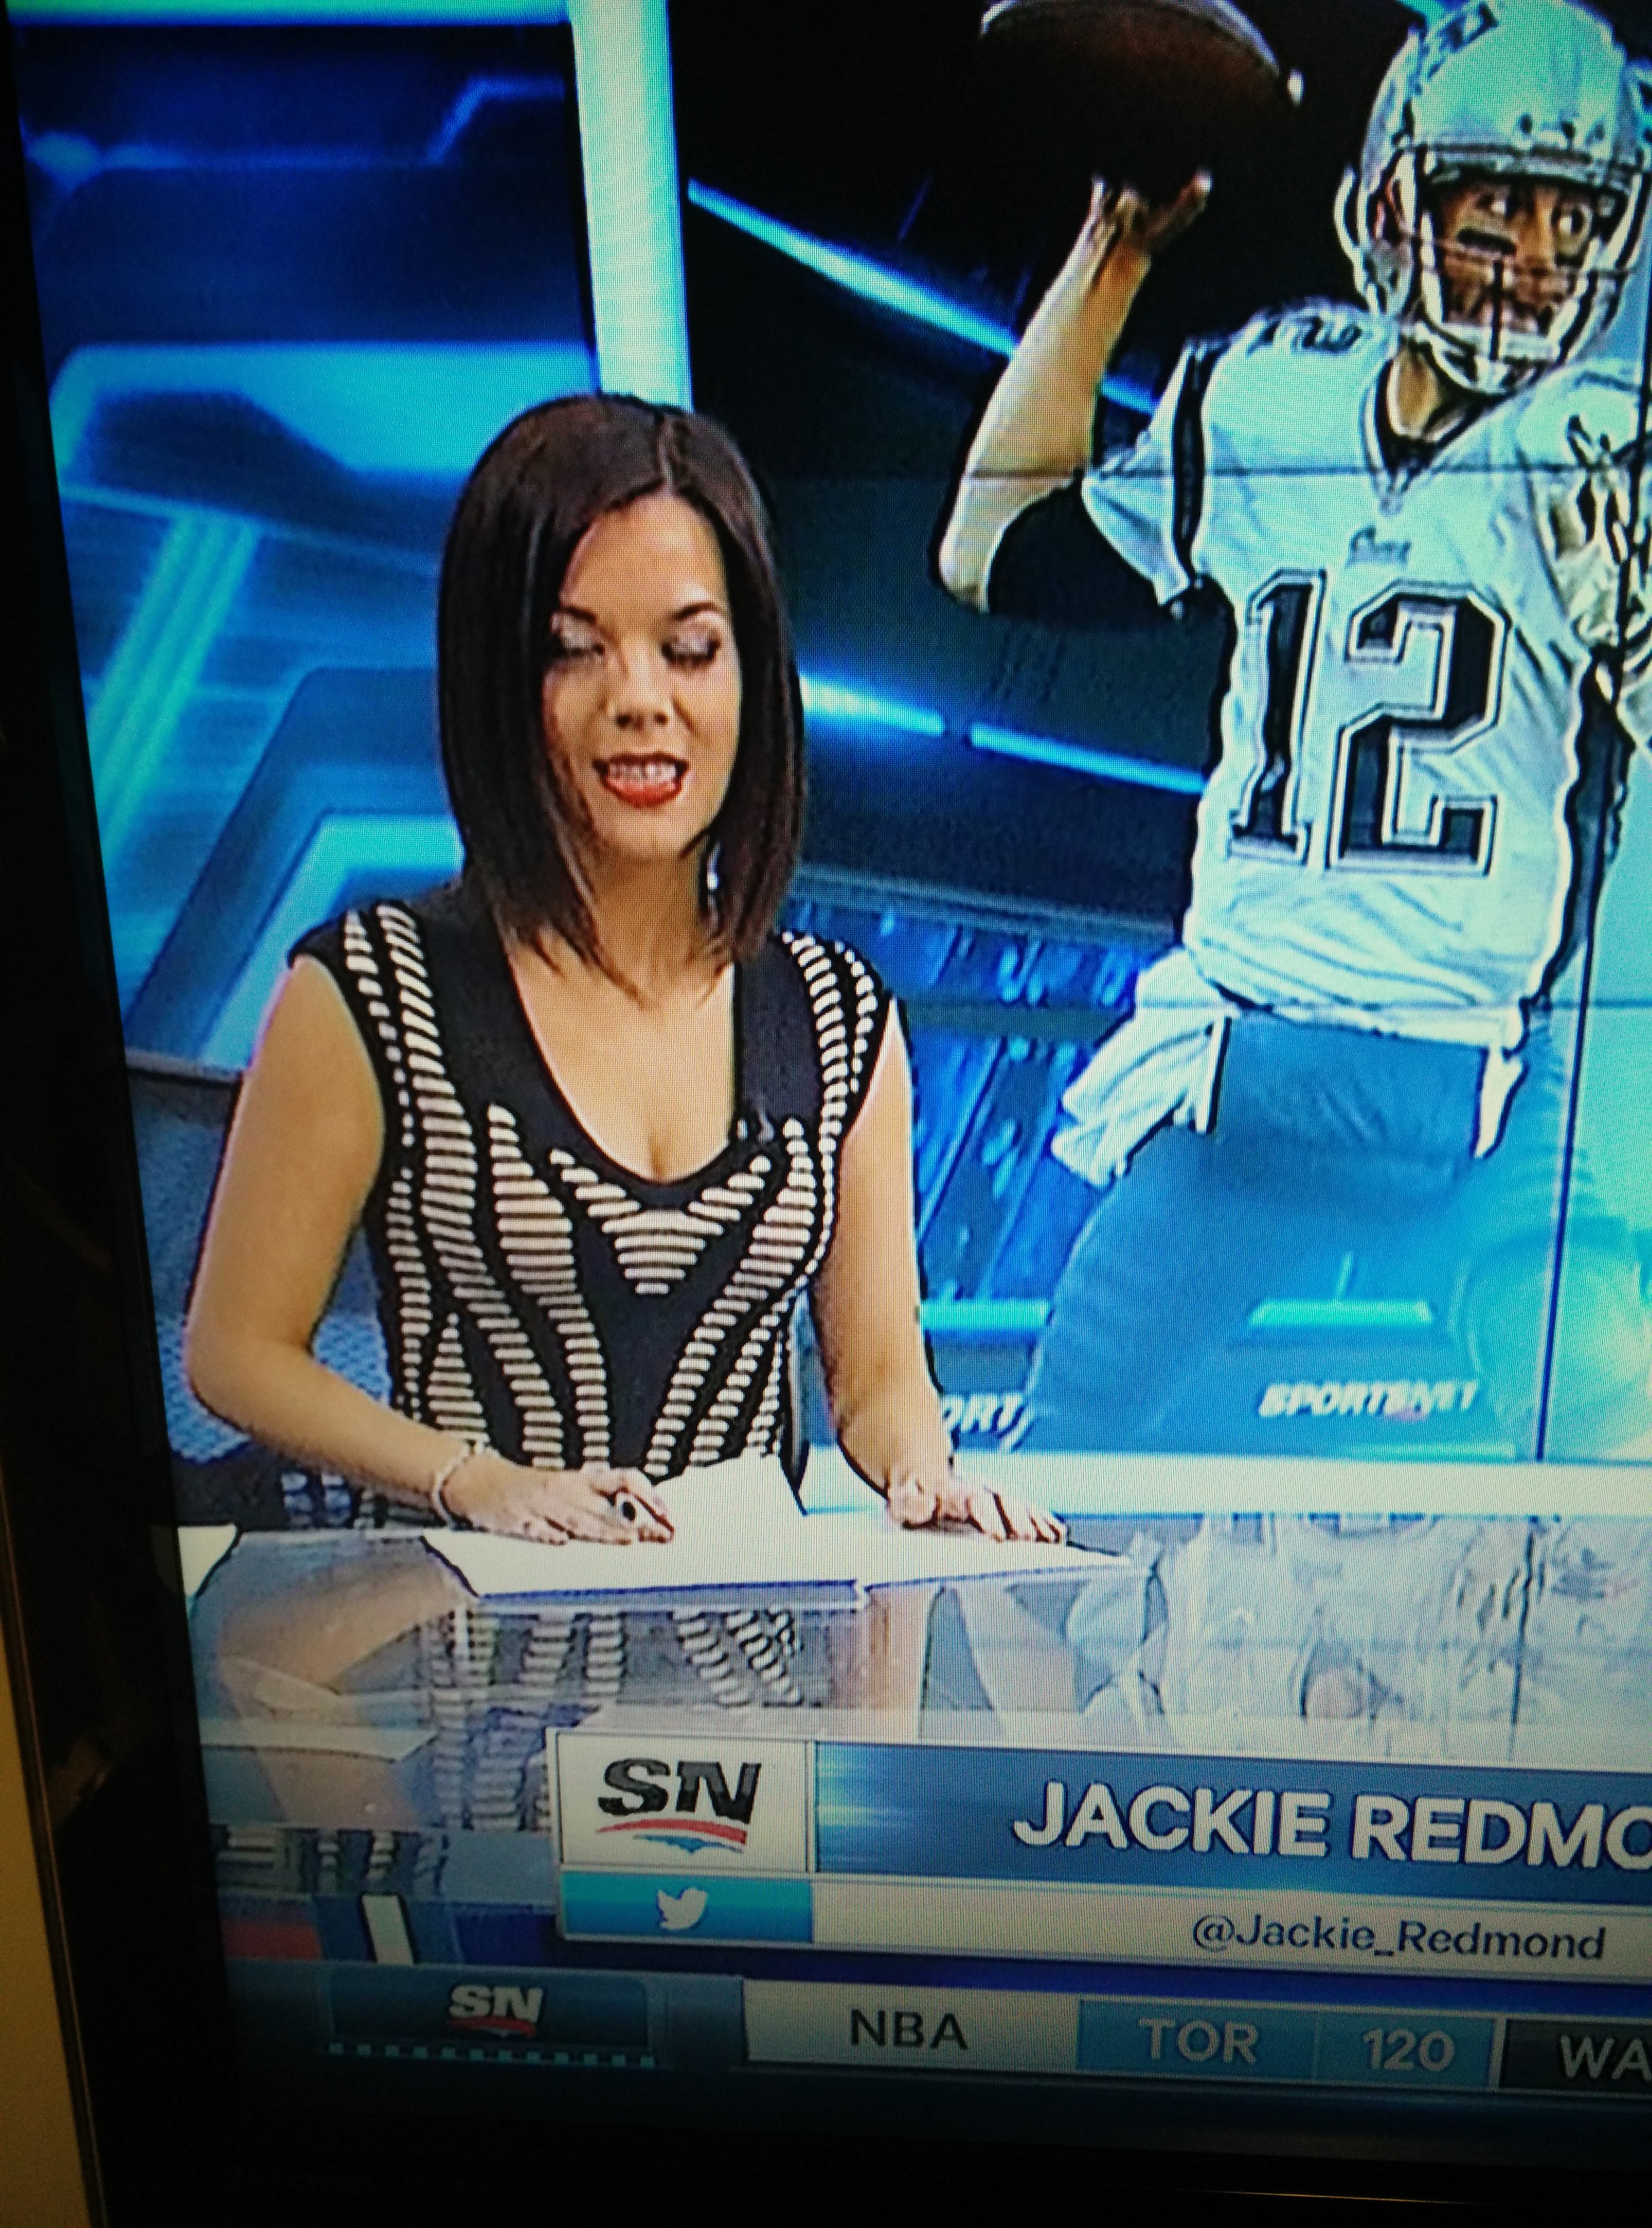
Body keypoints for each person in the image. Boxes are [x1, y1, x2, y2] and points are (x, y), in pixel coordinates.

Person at [938, 0, 1652, 1457]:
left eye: (1572, 220)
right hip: (1252, 1071)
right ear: (1395, 207)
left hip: (1488, 1088)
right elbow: (992, 547)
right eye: (1495, 209)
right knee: (1057, 1480)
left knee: (1614, 1463)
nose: (1533, 257)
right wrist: (1111, 259)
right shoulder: (1272, 398)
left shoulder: (1613, 452)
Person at [187, 394, 1060, 1544]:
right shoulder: (372, 993)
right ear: (498, 678)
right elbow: (235, 1351)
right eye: (574, 650)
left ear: (752, 677)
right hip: (463, 1629)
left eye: (689, 650)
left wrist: (925, 1473)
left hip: (746, 1643)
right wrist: (473, 1481)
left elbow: (879, 1375)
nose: (641, 702)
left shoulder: (839, 1018)